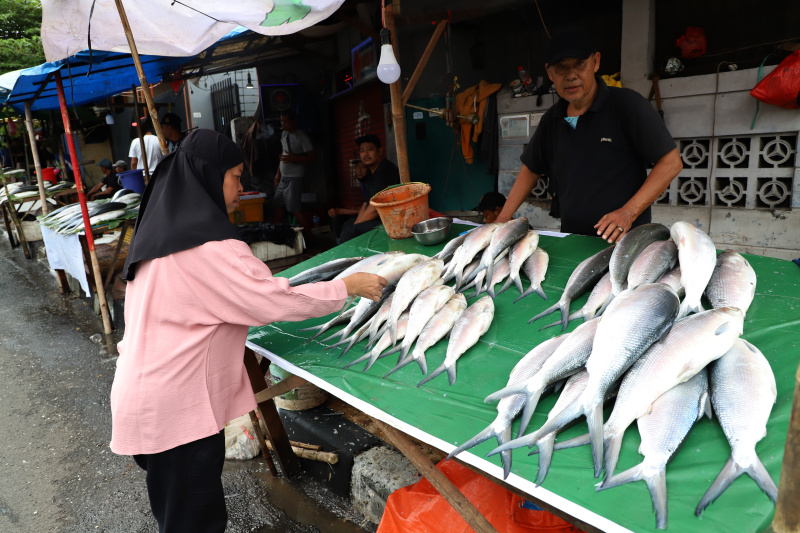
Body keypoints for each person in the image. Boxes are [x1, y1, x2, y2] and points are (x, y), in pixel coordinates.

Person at [110, 129, 386, 533]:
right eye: (235, 176)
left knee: (180, 517)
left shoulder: (157, 241)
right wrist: (347, 287)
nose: (242, 187)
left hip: (146, 402)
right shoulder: (209, 249)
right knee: (195, 523)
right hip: (177, 414)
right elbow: (274, 301)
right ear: (209, 176)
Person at [496, 27, 682, 244]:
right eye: (561, 68)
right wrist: (501, 221)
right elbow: (531, 169)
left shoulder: (627, 105)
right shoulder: (552, 120)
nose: (571, 75)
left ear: (596, 62)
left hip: (626, 241)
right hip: (574, 240)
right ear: (550, 73)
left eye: (580, 64)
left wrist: (628, 212)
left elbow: (671, 163)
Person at [328, 134, 400, 243]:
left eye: (370, 150)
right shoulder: (372, 172)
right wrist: (357, 223)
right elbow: (366, 203)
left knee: (351, 231)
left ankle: (351, 258)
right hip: (380, 219)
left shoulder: (385, 170)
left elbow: (374, 209)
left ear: (380, 151)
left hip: (391, 221)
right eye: (362, 151)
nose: (365, 154)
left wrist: (356, 227)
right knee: (348, 224)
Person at [273, 110, 314, 237]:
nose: (283, 123)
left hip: (294, 177)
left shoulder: (301, 136)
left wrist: (294, 158)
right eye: (281, 121)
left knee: (294, 209)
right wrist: (278, 174)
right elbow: (284, 155)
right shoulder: (284, 134)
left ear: (293, 122)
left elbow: (312, 157)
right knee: (277, 204)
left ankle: (310, 235)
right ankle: (278, 234)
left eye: (286, 121)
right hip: (284, 176)